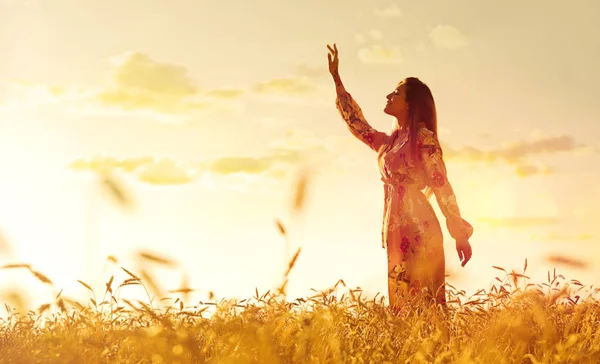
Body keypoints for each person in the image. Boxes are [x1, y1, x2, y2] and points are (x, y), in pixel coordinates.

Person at [327, 43, 473, 309]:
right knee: (402, 306)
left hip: (420, 228)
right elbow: (358, 125)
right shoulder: (389, 142)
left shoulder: (424, 139)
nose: (388, 96)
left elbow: (441, 184)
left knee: (423, 307)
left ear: (409, 104)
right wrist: (337, 80)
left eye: (395, 93)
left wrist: (459, 233)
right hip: (396, 229)